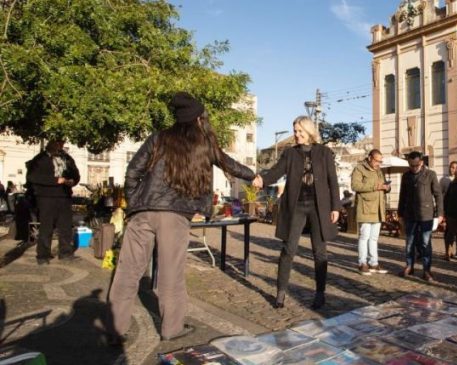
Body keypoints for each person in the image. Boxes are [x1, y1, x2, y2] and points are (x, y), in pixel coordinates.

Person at [106, 92, 258, 345]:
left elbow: (133, 171)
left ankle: (113, 330)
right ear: (199, 118)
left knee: (127, 272)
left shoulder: (158, 138)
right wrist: (253, 176)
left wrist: (136, 202)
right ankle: (171, 329)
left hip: (142, 213)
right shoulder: (204, 144)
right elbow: (230, 164)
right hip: (174, 216)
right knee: (170, 274)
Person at [258, 116, 341, 310]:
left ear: (309, 131)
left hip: (319, 208)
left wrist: (335, 207)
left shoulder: (325, 153)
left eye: (300, 131)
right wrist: (261, 180)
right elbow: (275, 173)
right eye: (295, 131)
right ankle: (280, 293)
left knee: (320, 253)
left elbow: (333, 182)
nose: (296, 135)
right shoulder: (290, 153)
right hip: (296, 208)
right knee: (288, 251)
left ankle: (320, 293)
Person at [26, 139, 80, 264]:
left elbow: (76, 175)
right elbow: (32, 177)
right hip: (46, 197)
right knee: (47, 227)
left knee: (66, 226)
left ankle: (65, 252)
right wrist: (55, 181)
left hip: (64, 196)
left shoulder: (67, 158)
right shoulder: (40, 159)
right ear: (50, 144)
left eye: (61, 143)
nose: (60, 146)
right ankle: (43, 256)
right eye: (57, 143)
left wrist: (72, 181)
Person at [397, 151, 443, 282]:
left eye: (415, 165)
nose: (413, 167)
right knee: (409, 243)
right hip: (410, 215)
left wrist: (440, 213)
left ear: (421, 162)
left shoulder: (431, 174)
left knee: (425, 243)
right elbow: (402, 196)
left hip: (426, 215)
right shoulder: (406, 176)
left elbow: (438, 195)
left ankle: (426, 270)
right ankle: (409, 266)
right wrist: (400, 214)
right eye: (411, 165)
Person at [351, 149, 390, 276]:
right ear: (369, 158)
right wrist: (375, 187)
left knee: (374, 238)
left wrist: (386, 188)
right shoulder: (359, 169)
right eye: (377, 160)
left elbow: (381, 186)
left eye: (380, 161)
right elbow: (355, 186)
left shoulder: (379, 171)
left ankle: (374, 263)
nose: (379, 163)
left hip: (378, 209)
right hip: (365, 208)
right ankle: (362, 263)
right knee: (364, 237)